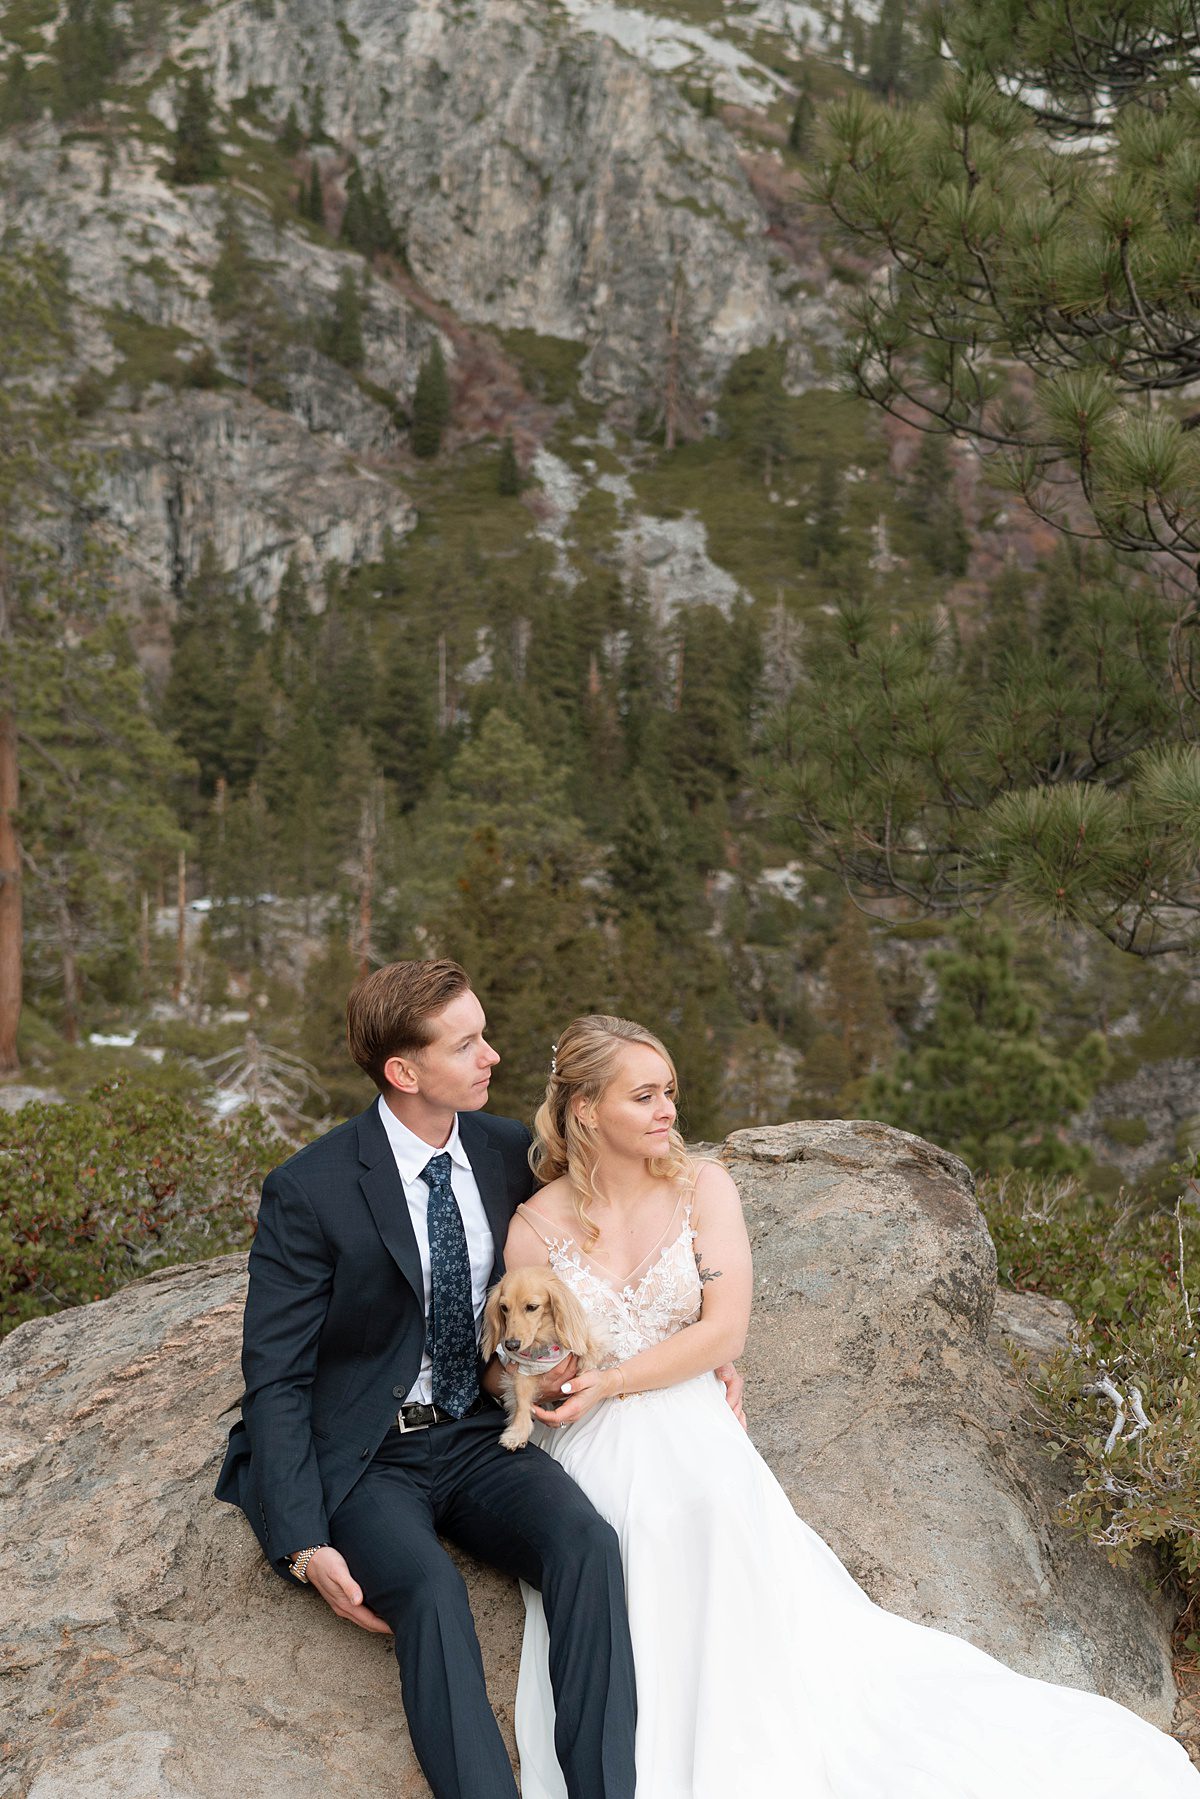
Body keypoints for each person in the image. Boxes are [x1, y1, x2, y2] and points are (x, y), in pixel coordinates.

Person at [507, 1013, 1200, 1799]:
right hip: (591, 1431)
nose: (668, 1109)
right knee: (618, 1528)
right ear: (586, 1108)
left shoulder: (702, 1186)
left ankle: (743, 1737)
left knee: (710, 1502)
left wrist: (623, 1377)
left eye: (670, 1090)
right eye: (644, 1096)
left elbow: (724, 1329)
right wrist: (550, 1374)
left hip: (683, 1409)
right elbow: (516, 1355)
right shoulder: (535, 1227)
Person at [215, 960, 639, 1799]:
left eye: (484, 1034)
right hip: (369, 1455)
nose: (492, 1055)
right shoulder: (310, 1189)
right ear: (404, 1072)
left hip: (480, 1433)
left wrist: (701, 1338)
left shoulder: (506, 1150)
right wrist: (304, 1542)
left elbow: (605, 1241)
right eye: (466, 1043)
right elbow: (277, 1374)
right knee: (433, 1593)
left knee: (588, 1545)